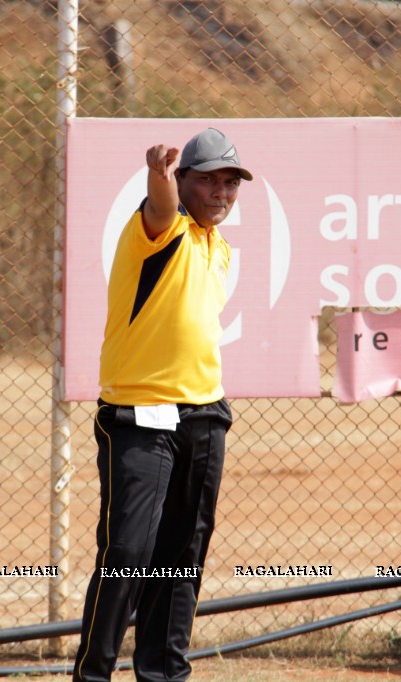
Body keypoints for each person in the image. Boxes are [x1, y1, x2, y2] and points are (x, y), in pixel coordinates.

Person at [72, 128, 252, 682]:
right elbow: (161, 207)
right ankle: (93, 675)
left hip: (204, 416)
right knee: (127, 551)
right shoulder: (159, 230)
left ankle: (163, 672)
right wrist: (159, 174)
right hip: (139, 418)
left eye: (231, 182)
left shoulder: (217, 247)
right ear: (183, 182)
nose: (222, 192)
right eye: (209, 181)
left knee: (181, 554)